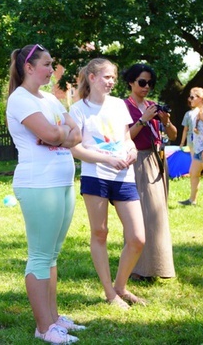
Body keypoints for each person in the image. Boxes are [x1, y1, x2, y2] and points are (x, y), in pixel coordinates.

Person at [6, 44, 85, 344]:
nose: (52, 70)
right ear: (29, 67)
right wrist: (60, 132)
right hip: (38, 184)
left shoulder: (50, 99)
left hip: (62, 182)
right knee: (40, 256)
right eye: (47, 64)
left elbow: (76, 134)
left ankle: (53, 319)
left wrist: (59, 132)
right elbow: (54, 134)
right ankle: (43, 327)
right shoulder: (20, 100)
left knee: (52, 255)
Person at [69, 58, 145, 309]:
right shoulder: (78, 109)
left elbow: (126, 139)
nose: (112, 82)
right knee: (100, 233)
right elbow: (75, 149)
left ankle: (120, 286)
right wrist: (106, 159)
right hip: (95, 177)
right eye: (107, 77)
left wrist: (132, 150)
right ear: (92, 78)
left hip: (124, 176)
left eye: (113, 77)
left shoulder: (118, 105)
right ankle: (109, 293)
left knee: (137, 238)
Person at [122, 64, 176, 281]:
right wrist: (143, 119)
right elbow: (125, 136)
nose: (146, 87)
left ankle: (158, 266)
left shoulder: (154, 105)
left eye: (150, 83)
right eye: (142, 82)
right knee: (145, 214)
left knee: (158, 214)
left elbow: (172, 134)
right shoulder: (124, 107)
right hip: (139, 159)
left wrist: (166, 121)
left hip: (158, 159)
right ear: (131, 82)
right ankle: (140, 269)